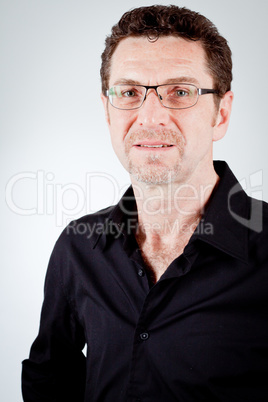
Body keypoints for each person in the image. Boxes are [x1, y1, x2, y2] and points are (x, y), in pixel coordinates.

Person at [21, 5, 268, 401]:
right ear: (107, 110)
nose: (150, 117)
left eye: (180, 92)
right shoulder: (78, 247)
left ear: (221, 114)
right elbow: (50, 376)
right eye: (130, 92)